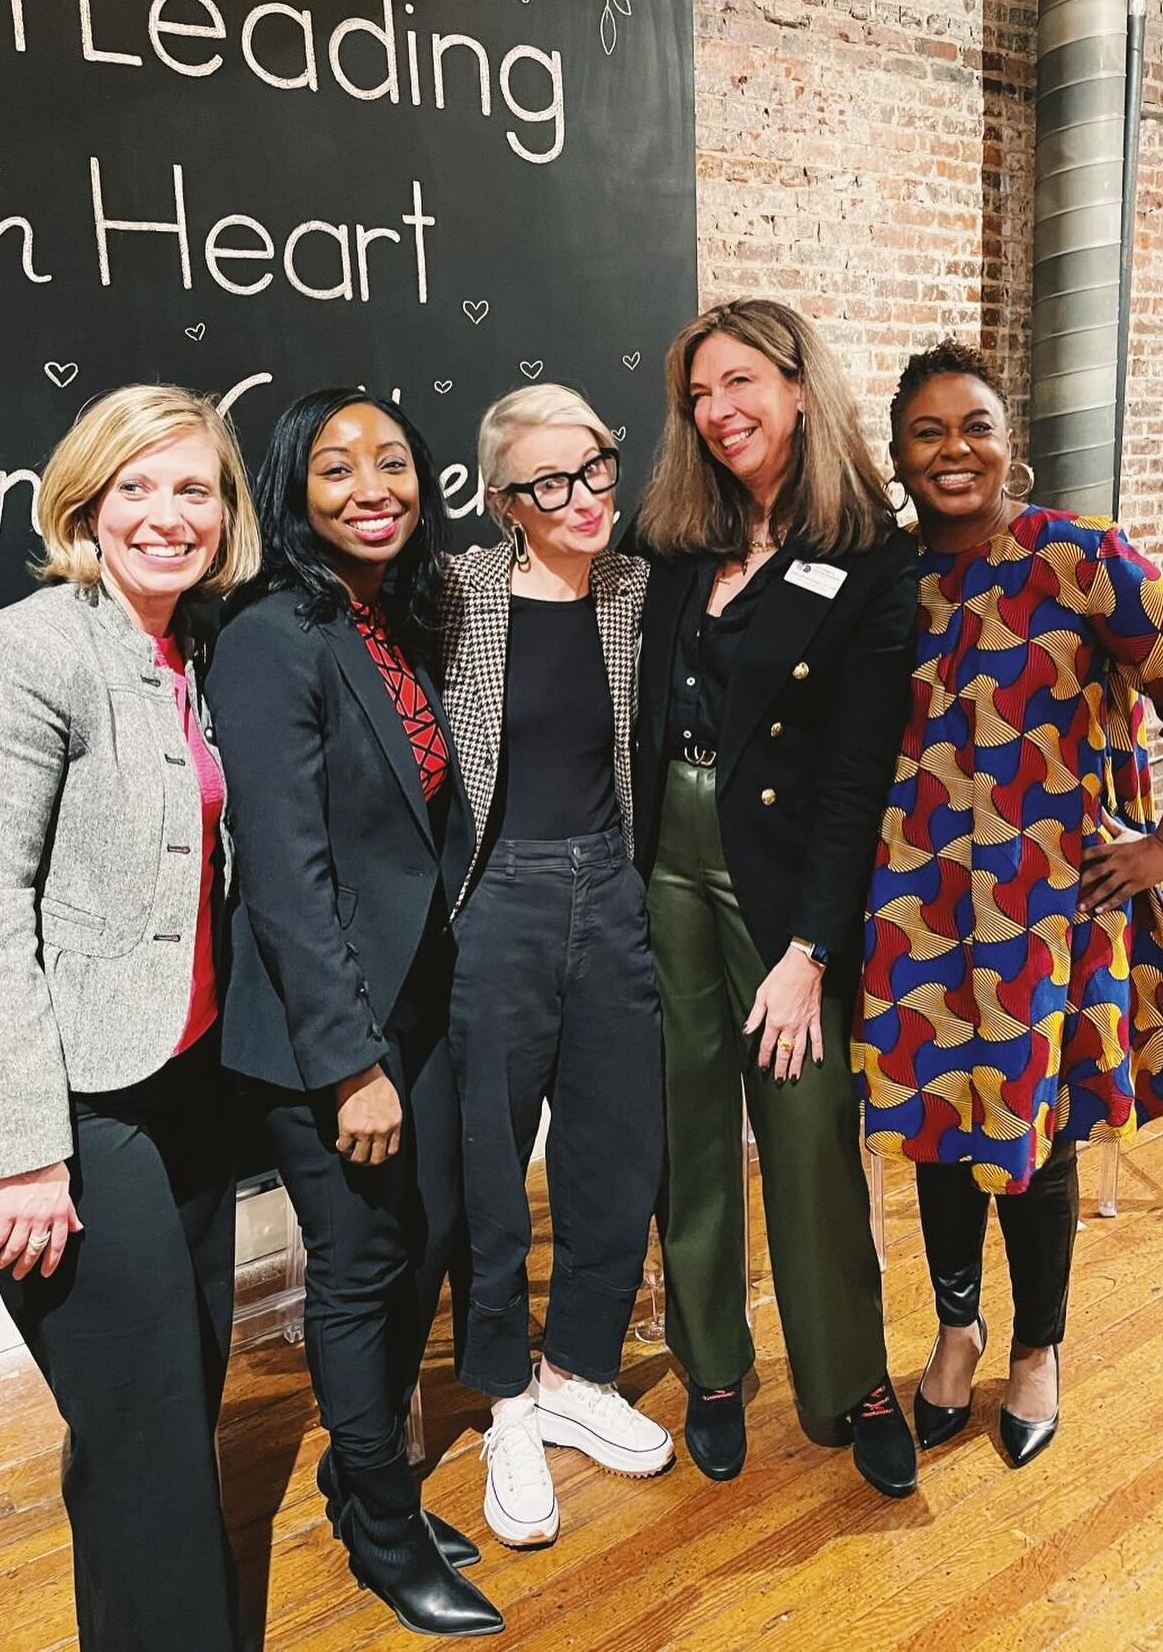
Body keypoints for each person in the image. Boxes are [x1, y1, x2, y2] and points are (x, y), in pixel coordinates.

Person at [854, 339, 1163, 1466]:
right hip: (915, 911)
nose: (954, 449)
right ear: (899, 454)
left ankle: (1036, 1349)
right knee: (937, 1135)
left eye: (975, 425)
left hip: (1049, 917)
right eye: (929, 431)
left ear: (1008, 444)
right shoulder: (886, 579)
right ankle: (954, 1331)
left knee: (1035, 1139)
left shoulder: (1080, 558)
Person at [0, 385, 262, 1650]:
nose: (168, 516)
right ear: (85, 502)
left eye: (196, 490)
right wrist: (24, 1150)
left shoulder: (197, 646)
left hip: (178, 1083)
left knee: (157, 1418)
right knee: (155, 1441)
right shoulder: (27, 651)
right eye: (137, 487)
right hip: (52, 1097)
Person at [206, 388, 503, 1639]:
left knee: (423, 1244)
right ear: (295, 490)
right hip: (323, 1031)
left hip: (412, 1002)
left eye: (392, 461)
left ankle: (358, 1470)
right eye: (337, 468)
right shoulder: (275, 632)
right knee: (359, 1268)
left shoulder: (385, 617)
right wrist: (347, 1067)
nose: (372, 486)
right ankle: (381, 1530)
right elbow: (284, 869)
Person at [630, 297, 919, 1499]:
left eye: (740, 382)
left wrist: (810, 947)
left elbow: (858, 776)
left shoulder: (870, 557)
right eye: (700, 393)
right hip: (665, 860)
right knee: (687, 1121)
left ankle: (851, 1375)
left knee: (805, 1132)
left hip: (781, 876)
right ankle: (709, 1363)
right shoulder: (673, 544)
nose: (719, 411)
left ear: (800, 386)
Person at [439, 383, 671, 1552]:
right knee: (489, 1161)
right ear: (502, 501)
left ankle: (580, 1365)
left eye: (594, 470)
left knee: (617, 1144)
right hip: (500, 897)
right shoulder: (457, 595)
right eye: (547, 483)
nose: (582, 499)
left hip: (614, 887)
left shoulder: (638, 590)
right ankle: (504, 1403)